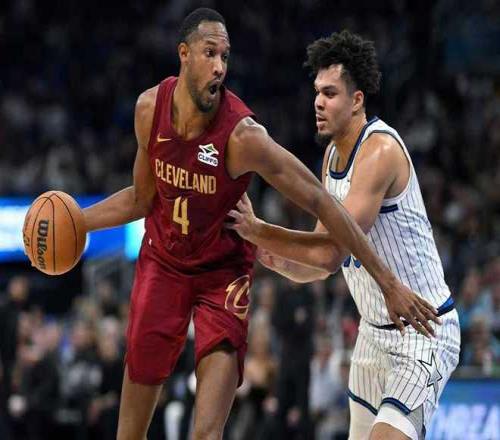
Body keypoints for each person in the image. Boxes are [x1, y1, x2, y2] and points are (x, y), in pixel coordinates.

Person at [81, 10, 438, 440]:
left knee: (205, 433)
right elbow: (141, 199)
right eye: (210, 53)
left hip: (221, 276)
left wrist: (387, 281)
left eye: (225, 56)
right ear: (184, 54)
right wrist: (80, 222)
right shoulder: (148, 109)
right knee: (128, 432)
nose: (219, 66)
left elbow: (322, 209)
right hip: (163, 264)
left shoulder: (243, 136)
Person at [228, 30, 461, 440]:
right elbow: (320, 267)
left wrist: (260, 229)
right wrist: (271, 256)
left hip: (423, 330)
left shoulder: (380, 151)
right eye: (317, 92)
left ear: (357, 101)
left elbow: (332, 250)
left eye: (330, 93)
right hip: (372, 336)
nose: (318, 102)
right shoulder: (332, 156)